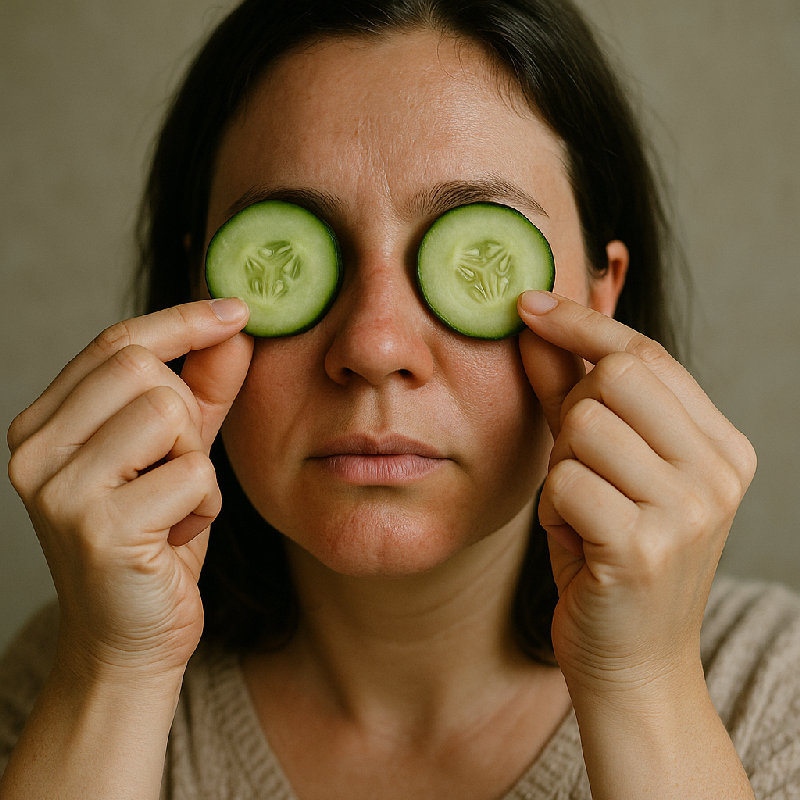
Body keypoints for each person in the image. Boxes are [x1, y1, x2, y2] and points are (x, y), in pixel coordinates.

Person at [2, 0, 799, 797]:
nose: (376, 348)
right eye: (286, 254)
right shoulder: (57, 682)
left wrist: (646, 681)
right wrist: (113, 672)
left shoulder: (772, 691)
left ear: (602, 298)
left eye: (479, 251)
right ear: (194, 297)